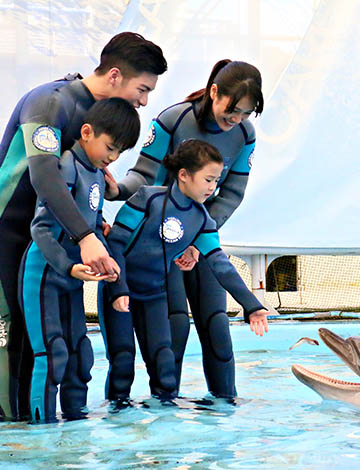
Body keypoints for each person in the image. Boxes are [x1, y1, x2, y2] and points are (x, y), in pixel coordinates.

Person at [0, 32, 167, 421]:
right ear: (116, 75)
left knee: (48, 341)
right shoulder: (51, 102)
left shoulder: (98, 120)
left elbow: (77, 186)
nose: (144, 101)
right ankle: (5, 442)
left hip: (45, 235)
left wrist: (95, 223)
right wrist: (84, 236)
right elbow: (45, 178)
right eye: (142, 89)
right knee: (8, 335)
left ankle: (35, 433)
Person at [105, 60, 263, 398]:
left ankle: (224, 409)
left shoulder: (244, 136)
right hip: (162, 246)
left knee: (216, 325)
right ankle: (166, 412)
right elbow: (144, 176)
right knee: (173, 331)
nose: (235, 120)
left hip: (200, 234)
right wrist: (117, 190)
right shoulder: (173, 120)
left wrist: (197, 239)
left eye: (245, 114)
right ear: (214, 92)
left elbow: (231, 193)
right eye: (232, 110)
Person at [18, 98, 140, 423]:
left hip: (74, 277)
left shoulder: (98, 176)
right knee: (53, 353)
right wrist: (68, 265)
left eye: (119, 153)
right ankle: (42, 431)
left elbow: (93, 222)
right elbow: (41, 228)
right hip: (44, 273)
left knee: (79, 354)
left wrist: (107, 260)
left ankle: (75, 426)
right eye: (110, 148)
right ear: (87, 132)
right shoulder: (67, 165)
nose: (112, 158)